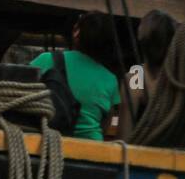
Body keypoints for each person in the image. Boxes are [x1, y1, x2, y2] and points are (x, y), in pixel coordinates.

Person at [30, 12, 120, 141]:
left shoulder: (46, 60)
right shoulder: (110, 79)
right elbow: (110, 122)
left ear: (77, 33)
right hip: (92, 146)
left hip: (48, 142)